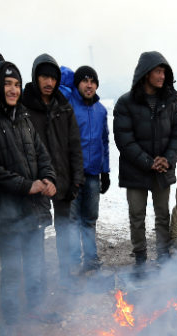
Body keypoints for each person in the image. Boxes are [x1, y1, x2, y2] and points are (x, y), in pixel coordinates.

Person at [0, 61, 59, 328]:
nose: (13, 90)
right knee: (12, 270)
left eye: (17, 85)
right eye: (7, 84)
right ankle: (12, 322)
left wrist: (48, 178)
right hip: (5, 212)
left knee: (36, 265)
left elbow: (41, 153)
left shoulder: (23, 118)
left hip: (32, 210)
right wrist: (27, 185)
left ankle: (35, 310)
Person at [114, 51, 177, 272]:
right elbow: (124, 139)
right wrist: (148, 162)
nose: (162, 75)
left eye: (164, 71)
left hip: (162, 170)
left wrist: (168, 159)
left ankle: (163, 257)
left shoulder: (170, 101)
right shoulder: (126, 102)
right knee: (137, 216)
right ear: (146, 74)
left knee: (162, 216)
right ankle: (140, 259)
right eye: (158, 71)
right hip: (135, 170)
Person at [22, 54, 84, 286]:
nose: (49, 82)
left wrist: (77, 177)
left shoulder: (63, 106)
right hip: (36, 181)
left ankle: (66, 277)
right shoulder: (24, 106)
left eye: (53, 78)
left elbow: (74, 144)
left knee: (65, 231)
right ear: (36, 77)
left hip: (64, 177)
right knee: (36, 232)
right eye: (44, 77)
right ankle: (37, 284)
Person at [66, 65, 111, 273]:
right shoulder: (69, 107)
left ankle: (91, 261)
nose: (89, 84)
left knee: (90, 219)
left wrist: (105, 171)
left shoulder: (101, 110)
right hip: (72, 174)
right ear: (77, 84)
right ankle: (73, 263)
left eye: (93, 81)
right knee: (73, 220)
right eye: (85, 80)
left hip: (93, 174)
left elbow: (104, 141)